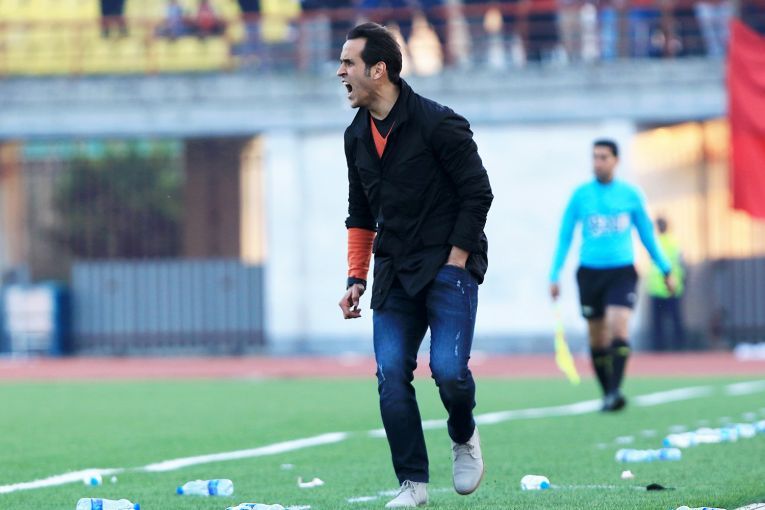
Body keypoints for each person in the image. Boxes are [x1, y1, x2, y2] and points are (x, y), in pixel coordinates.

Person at [337, 22, 493, 508]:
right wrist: (356, 277)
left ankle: (463, 435)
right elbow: (360, 213)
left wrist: (457, 260)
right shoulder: (355, 136)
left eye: (348, 63)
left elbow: (478, 193)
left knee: (448, 371)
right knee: (390, 374)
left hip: (448, 265)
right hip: (394, 272)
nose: (340, 72)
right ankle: (413, 484)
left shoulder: (439, 123)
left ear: (378, 70)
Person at [549, 139, 675, 412]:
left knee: (618, 327)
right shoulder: (580, 195)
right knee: (597, 338)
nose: (598, 162)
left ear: (615, 160)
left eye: (603, 157)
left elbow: (647, 235)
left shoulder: (630, 195)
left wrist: (666, 269)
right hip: (590, 273)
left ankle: (616, 390)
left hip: (622, 271)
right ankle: (608, 392)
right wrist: (554, 274)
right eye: (595, 157)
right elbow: (565, 236)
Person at [647, 216, 686, 351]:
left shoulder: (655, 242)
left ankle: (659, 348)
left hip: (658, 288)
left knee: (658, 322)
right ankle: (679, 346)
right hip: (673, 287)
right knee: (675, 319)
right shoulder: (674, 242)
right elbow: (681, 262)